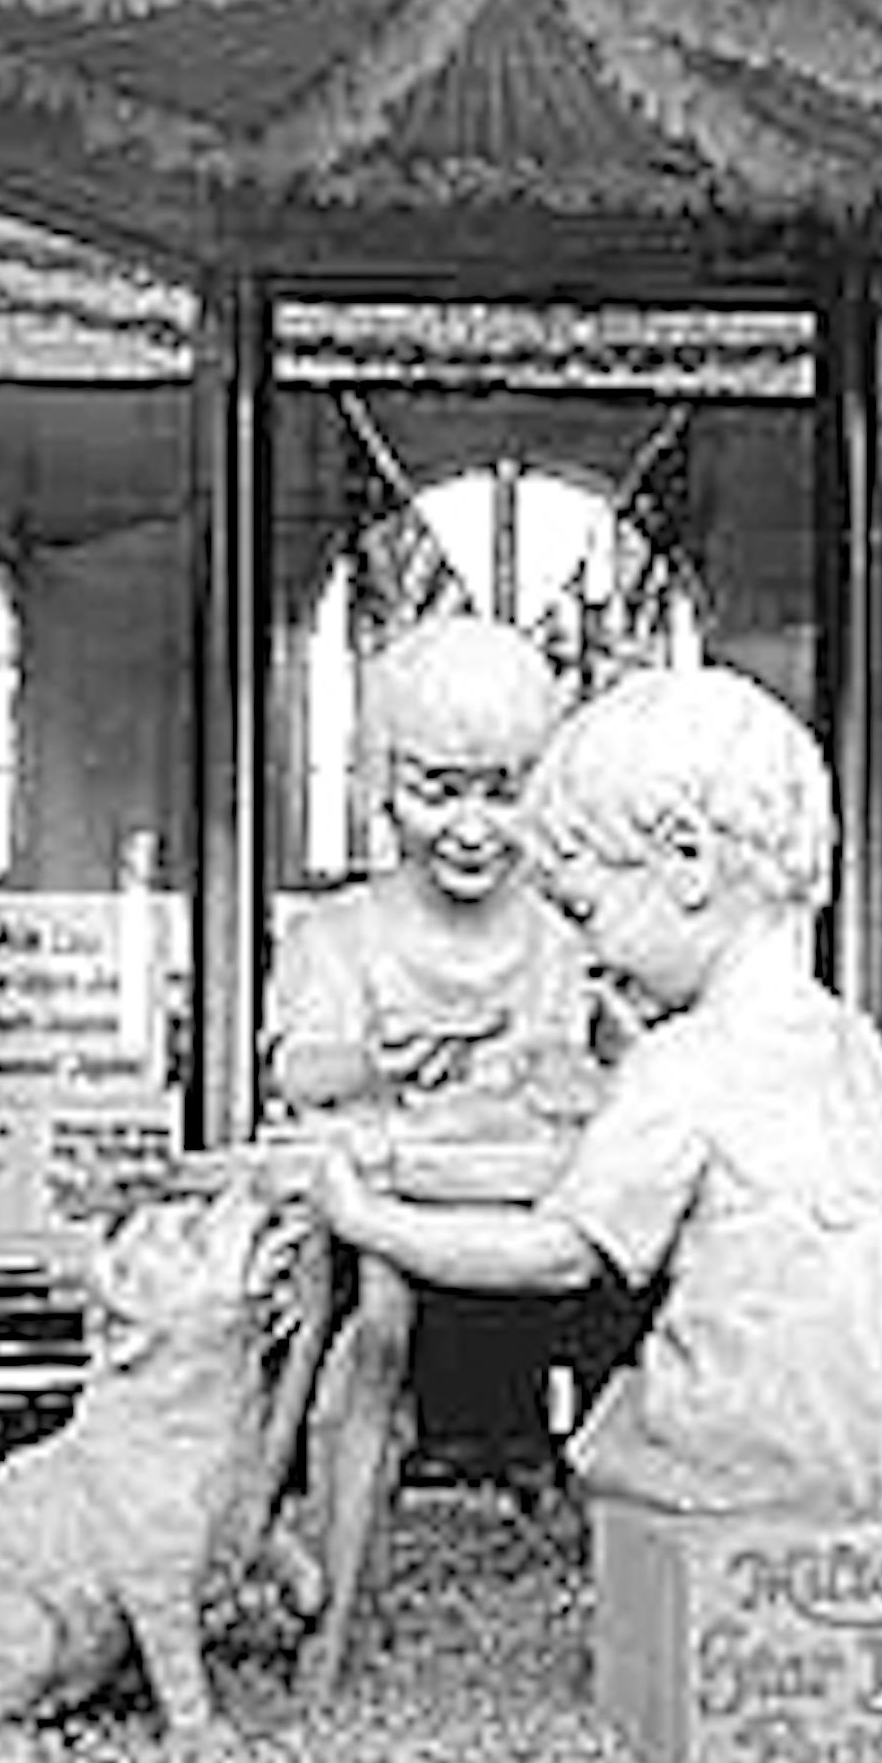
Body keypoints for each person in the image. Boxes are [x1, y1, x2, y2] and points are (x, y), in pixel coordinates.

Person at [314, 660, 882, 1522]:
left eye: (587, 911)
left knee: (607, 1434)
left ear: (685, 859)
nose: (591, 953)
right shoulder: (851, 1042)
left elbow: (559, 1254)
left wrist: (367, 1219)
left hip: (759, 1473)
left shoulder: (685, 1061)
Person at [263, 611, 605, 1692]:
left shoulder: (565, 939)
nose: (469, 825)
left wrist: (578, 1080)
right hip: (395, 1219)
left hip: (532, 1219)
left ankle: (650, 1583)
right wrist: (371, 1058)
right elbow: (295, 1071)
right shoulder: (338, 935)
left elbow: (600, 1083)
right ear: (380, 782)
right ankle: (329, 1618)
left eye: (501, 792)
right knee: (379, 1320)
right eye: (436, 790)